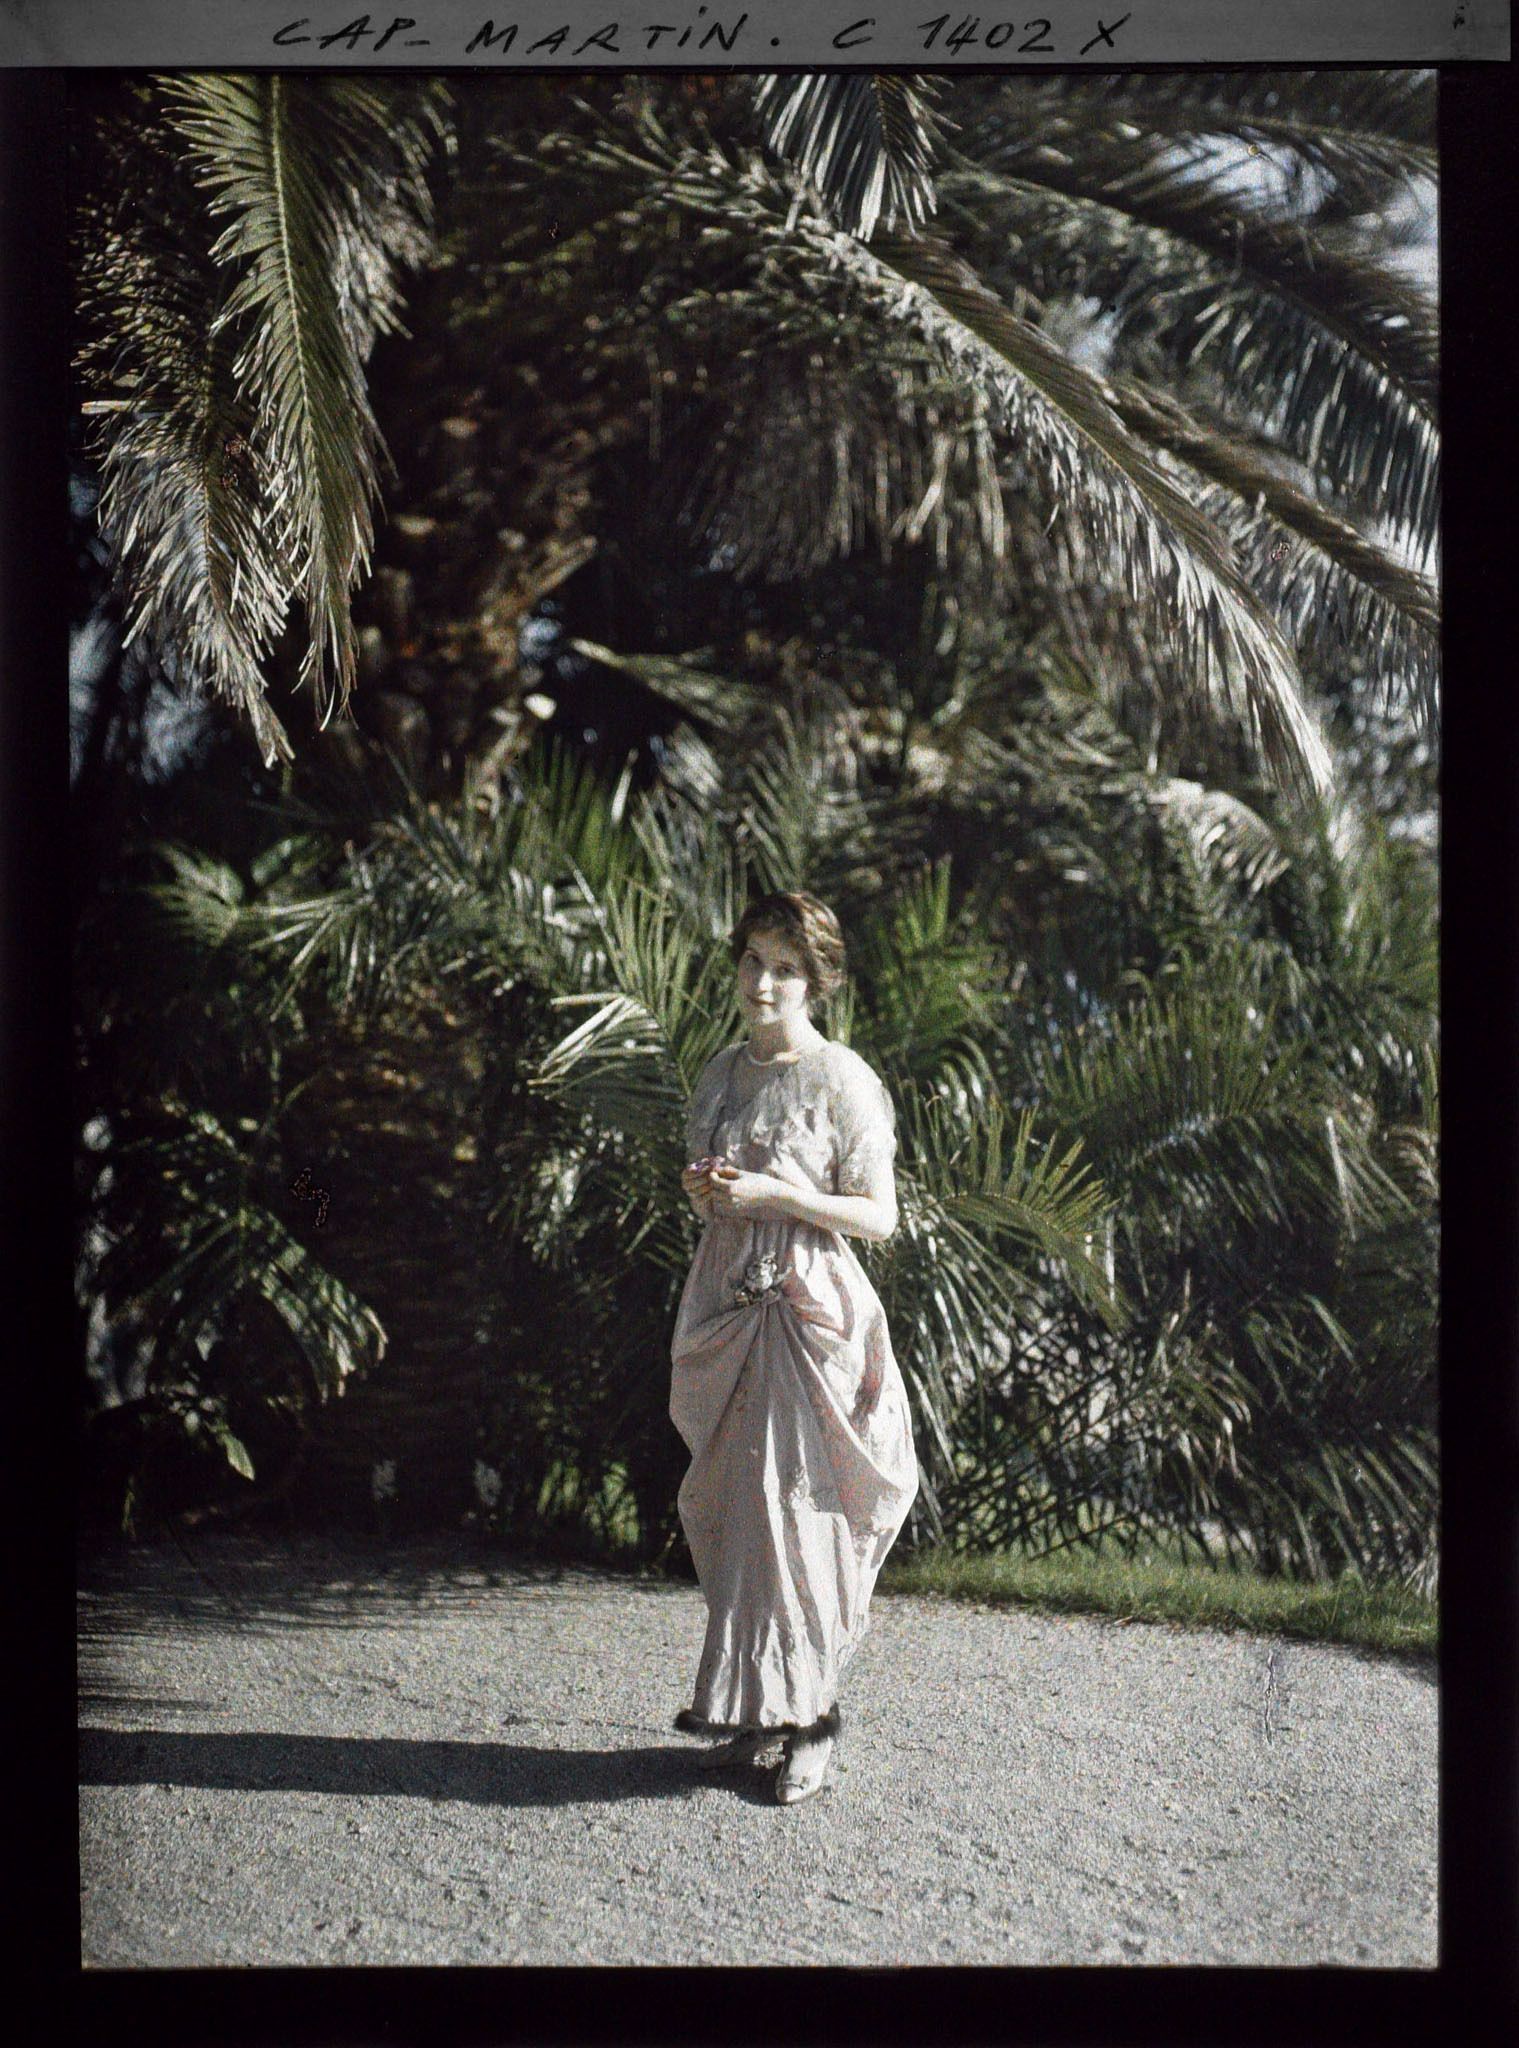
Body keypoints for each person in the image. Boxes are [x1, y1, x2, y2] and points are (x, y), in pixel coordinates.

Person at [669, 890, 919, 1806]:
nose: (763, 982)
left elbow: (880, 1217)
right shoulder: (721, 1072)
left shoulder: (840, 1078)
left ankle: (812, 1723)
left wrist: (778, 1198)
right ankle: (757, 1710)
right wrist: (707, 1189)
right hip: (728, 1304)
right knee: (742, 1513)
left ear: (814, 982)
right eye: (752, 962)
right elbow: (704, 1193)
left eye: (784, 968)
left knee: (800, 1514)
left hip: (809, 1314)